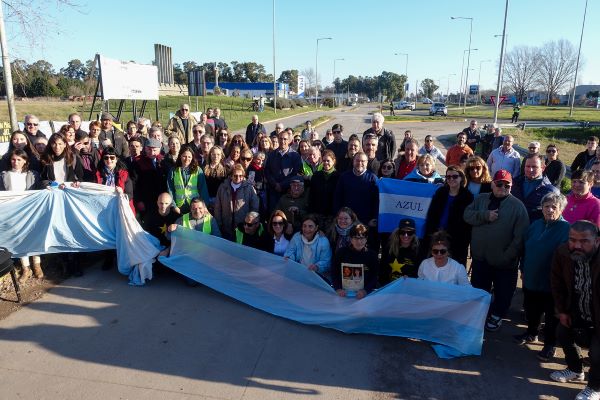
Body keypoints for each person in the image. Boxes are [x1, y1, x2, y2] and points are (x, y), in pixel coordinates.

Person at [464, 169, 529, 332]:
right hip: (480, 257)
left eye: (507, 185)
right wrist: (485, 215)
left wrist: (506, 256)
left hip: (504, 262)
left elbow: (520, 237)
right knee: (479, 289)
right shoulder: (481, 199)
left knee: (503, 292)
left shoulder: (518, 207)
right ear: (492, 184)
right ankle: (480, 314)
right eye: (499, 184)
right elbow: (467, 215)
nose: (503, 188)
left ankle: (497, 315)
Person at [514, 192, 569, 361]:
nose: (550, 210)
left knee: (551, 316)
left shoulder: (566, 229)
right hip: (531, 277)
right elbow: (525, 249)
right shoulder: (536, 225)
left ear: (561, 209)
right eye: (546, 206)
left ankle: (550, 345)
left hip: (552, 282)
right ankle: (531, 333)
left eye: (554, 207)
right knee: (532, 309)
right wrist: (523, 268)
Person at [550, 220, 600, 400]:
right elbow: (556, 283)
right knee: (562, 332)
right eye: (572, 240)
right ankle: (575, 370)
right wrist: (562, 311)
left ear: (597, 241)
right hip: (578, 310)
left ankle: (595, 387)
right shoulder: (563, 252)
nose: (577, 245)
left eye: (584, 241)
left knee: (597, 353)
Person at [0, 149, 42, 283]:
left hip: (30, 211)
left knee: (33, 236)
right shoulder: (4, 175)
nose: (16, 162)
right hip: (14, 212)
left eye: (19, 159)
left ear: (25, 161)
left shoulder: (33, 174)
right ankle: (25, 267)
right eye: (13, 159)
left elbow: (39, 192)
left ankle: (37, 264)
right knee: (20, 238)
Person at [424, 166, 473, 266]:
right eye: (448, 177)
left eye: (455, 176)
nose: (451, 179)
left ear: (461, 178)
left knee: (454, 266)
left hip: (457, 238)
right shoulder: (440, 192)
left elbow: (467, 221)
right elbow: (431, 214)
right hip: (437, 235)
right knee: (435, 264)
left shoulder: (467, 196)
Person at [334, 152, 378, 234]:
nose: (360, 163)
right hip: (346, 221)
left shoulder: (373, 179)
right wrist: (337, 215)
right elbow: (337, 197)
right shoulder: (344, 177)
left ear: (367, 162)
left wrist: (374, 218)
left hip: (365, 222)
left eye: (363, 161)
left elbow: (377, 201)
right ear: (353, 161)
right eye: (357, 160)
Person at [332, 224, 379, 299]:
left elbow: (374, 276)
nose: (359, 241)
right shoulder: (341, 253)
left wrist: (366, 290)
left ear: (366, 239)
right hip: (343, 294)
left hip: (363, 295)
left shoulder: (372, 255)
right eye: (356, 238)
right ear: (351, 239)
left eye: (362, 238)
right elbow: (334, 272)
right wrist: (338, 288)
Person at [214, 164, 259, 240]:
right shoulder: (223, 187)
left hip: (243, 227)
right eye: (235, 176)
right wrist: (219, 223)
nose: (238, 178)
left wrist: (250, 224)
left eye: (240, 176)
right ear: (231, 176)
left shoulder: (249, 188)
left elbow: (254, 207)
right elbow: (217, 207)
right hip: (226, 226)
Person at [511, 154, 559, 222]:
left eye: (534, 167)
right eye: (527, 166)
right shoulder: (514, 183)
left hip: (534, 226)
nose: (530, 170)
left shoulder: (551, 191)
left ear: (543, 168)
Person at [284, 214, 332, 281]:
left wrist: (317, 267)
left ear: (316, 228)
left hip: (316, 277)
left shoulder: (323, 241)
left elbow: (326, 261)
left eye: (310, 226)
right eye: (304, 226)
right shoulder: (296, 237)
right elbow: (290, 251)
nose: (307, 229)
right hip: (298, 273)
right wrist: (289, 258)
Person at [264, 129, 302, 212]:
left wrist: (282, 185)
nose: (282, 141)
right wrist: (275, 184)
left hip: (288, 191)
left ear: (289, 140)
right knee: (274, 213)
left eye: (285, 139)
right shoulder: (272, 155)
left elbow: (296, 173)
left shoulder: (295, 155)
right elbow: (267, 171)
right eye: (280, 139)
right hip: (273, 190)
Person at [166, 146, 210, 215]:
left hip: (195, 207)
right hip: (179, 207)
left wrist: (204, 206)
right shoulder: (173, 171)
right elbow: (170, 189)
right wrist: (174, 206)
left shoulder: (198, 170)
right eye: (184, 156)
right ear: (180, 156)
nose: (187, 159)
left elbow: (203, 190)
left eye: (189, 157)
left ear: (192, 158)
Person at [380, 218, 422, 284]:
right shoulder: (389, 248)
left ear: (414, 234)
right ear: (398, 232)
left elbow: (419, 273)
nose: (406, 235)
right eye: (402, 232)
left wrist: (410, 278)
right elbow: (382, 269)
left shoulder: (418, 251)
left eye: (410, 233)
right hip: (389, 286)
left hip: (409, 286)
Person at [133, 138, 168, 217]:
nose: (152, 153)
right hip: (145, 200)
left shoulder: (164, 161)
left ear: (159, 149)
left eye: (154, 150)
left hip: (161, 199)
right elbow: (134, 183)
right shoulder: (138, 162)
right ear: (145, 149)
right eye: (149, 149)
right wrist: (139, 200)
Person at [143, 193, 180, 257]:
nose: (163, 206)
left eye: (166, 203)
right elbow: (145, 235)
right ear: (157, 203)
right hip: (153, 247)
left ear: (171, 204)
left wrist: (167, 250)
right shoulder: (149, 216)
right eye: (161, 203)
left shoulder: (177, 218)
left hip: (171, 248)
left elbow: (179, 240)